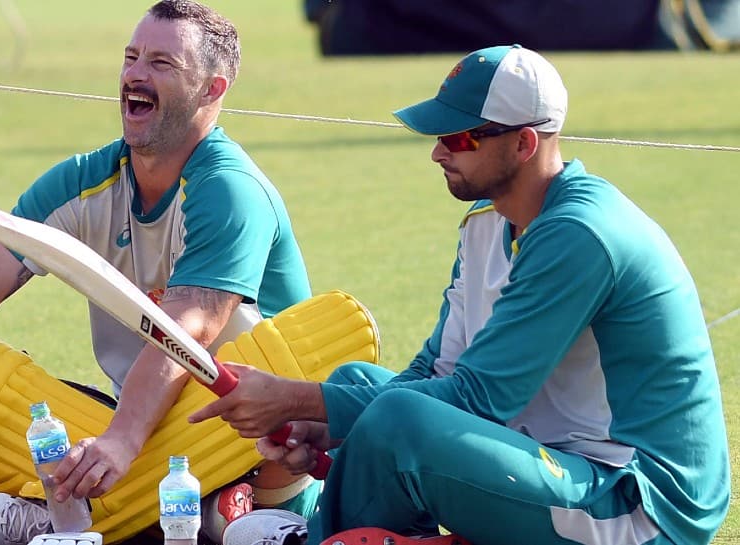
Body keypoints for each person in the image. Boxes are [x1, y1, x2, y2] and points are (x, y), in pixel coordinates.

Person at [191, 44, 730, 545]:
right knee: (357, 385)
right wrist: (331, 422)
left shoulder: (579, 234)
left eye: (460, 137)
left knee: (396, 418)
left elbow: (478, 399)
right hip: (561, 459)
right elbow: (435, 372)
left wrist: (291, 398)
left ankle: (316, 537)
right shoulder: (485, 223)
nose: (437, 152)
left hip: (638, 503)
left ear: (524, 143)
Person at [0, 1, 322, 543]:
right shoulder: (81, 182)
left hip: (258, 446)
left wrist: (123, 440)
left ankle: (50, 516)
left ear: (212, 89)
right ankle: (163, 513)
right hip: (135, 429)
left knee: (195, 496)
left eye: (161, 63)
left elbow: (186, 333)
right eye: (131, 57)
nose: (134, 74)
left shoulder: (229, 191)